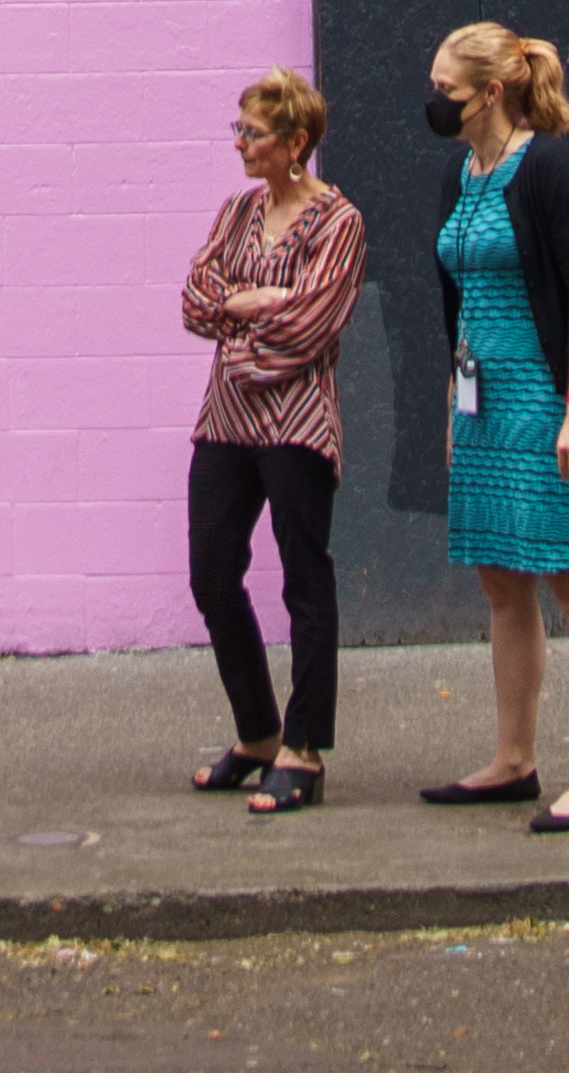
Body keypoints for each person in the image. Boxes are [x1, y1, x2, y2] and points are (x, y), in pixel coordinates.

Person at [416, 20, 569, 832]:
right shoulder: (461, 176)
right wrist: (450, 409)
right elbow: (454, 304)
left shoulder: (554, 172)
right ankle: (513, 761)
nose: (437, 103)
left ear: (492, 93)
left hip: (548, 400)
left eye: (447, 92)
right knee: (502, 582)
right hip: (483, 407)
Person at [177, 67, 368, 815]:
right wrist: (250, 304)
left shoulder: (339, 221)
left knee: (303, 580)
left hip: (298, 423)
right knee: (211, 573)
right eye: (239, 129)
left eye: (251, 133)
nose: (239, 144)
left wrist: (242, 328)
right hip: (225, 421)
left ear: (296, 143)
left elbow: (313, 325)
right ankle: (257, 732)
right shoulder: (236, 212)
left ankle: (305, 748)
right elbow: (195, 300)